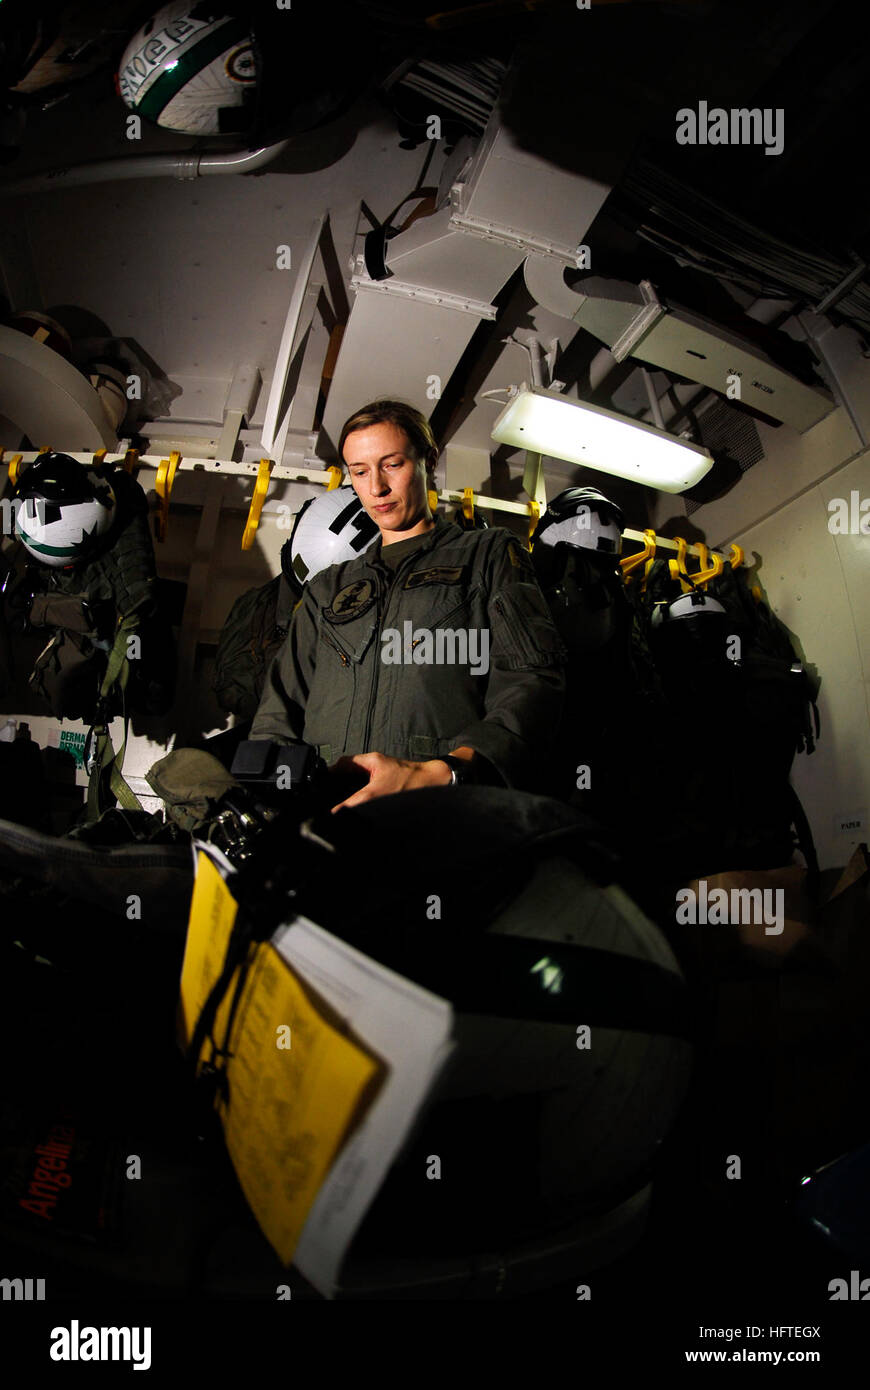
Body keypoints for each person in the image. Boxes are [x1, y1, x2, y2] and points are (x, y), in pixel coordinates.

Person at [250, 399, 567, 810]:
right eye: (360, 472)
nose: (376, 488)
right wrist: (275, 792)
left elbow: (533, 680)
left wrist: (445, 771)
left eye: (392, 465)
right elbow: (279, 709)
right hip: (329, 819)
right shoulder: (327, 588)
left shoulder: (485, 554)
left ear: (427, 461)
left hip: (439, 814)